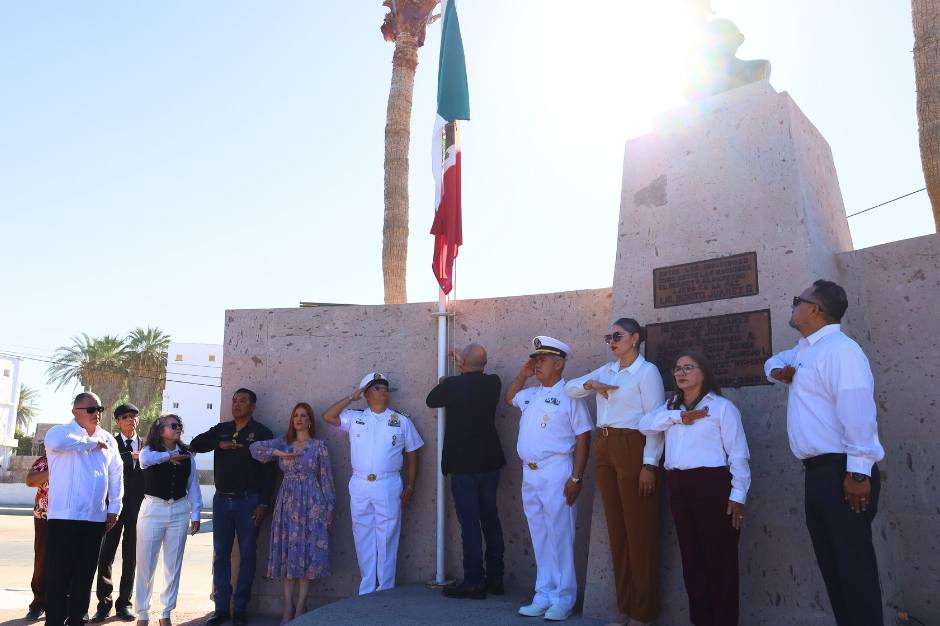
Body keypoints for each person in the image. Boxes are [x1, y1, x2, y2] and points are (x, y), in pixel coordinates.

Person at [764, 279, 886, 626]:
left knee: (854, 573)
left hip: (844, 474)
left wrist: (858, 472)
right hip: (817, 475)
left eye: (796, 300)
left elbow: (858, 412)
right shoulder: (804, 350)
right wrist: (777, 372)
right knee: (834, 571)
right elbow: (771, 361)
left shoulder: (840, 351)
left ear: (814, 309)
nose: (793, 306)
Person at [565, 318, 665, 626]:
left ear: (635, 338)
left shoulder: (647, 373)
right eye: (609, 336)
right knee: (617, 532)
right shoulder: (606, 370)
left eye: (618, 336)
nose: (612, 341)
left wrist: (649, 464)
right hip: (605, 447)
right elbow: (570, 388)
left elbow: (655, 422)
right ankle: (624, 607)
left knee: (640, 532)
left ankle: (643, 613)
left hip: (633, 445)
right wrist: (591, 385)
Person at [639, 351, 750, 626]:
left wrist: (738, 496)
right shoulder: (670, 409)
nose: (681, 373)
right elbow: (644, 426)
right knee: (693, 564)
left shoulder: (722, 407)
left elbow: (738, 454)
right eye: (677, 368)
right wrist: (679, 417)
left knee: (720, 564)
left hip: (712, 487)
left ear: (704, 372)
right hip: (679, 487)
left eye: (689, 367)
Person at [505, 336, 592, 622]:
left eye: (541, 360)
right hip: (530, 473)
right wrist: (522, 375)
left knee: (560, 536)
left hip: (557, 471)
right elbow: (510, 398)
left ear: (559, 363)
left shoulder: (570, 394)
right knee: (540, 535)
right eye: (535, 359)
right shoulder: (531, 393)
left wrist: (577, 478)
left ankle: (563, 597)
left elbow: (583, 436)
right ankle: (543, 594)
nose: (536, 364)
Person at [322, 372, 424, 595]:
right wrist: (351, 397)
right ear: (366, 394)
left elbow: (413, 454)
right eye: (377, 388)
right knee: (363, 535)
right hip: (359, 483)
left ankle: (385, 587)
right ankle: (367, 588)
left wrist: (410, 486)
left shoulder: (401, 420)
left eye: (385, 388)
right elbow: (328, 417)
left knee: (387, 536)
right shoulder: (355, 417)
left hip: (388, 483)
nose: (383, 392)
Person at [426, 344, 506, 600]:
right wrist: (464, 368)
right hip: (489, 462)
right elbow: (475, 376)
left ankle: (474, 581)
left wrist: (451, 377)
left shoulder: (453, 386)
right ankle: (496, 579)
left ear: (463, 365)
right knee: (490, 519)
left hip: (463, 466)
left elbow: (431, 399)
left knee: (469, 524)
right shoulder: (494, 382)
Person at [190, 388, 276, 626]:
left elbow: (270, 472)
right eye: (234, 400)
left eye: (243, 401)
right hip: (221, 501)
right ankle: (221, 609)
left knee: (247, 555)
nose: (237, 404)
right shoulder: (222, 429)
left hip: (249, 501)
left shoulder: (262, 433)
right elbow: (196, 443)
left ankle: (240, 609)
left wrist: (264, 502)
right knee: (221, 555)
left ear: (253, 406)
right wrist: (220, 444)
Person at [249, 403, 335, 625]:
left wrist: (329, 508)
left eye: (303, 415)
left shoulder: (319, 446)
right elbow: (255, 449)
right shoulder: (284, 442)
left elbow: (326, 479)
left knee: (307, 556)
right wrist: (277, 452)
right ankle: (287, 608)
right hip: (287, 503)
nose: (298, 419)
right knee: (288, 555)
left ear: (309, 421)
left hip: (312, 504)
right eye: (295, 415)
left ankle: (300, 607)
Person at [43, 392, 123, 626]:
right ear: (75, 412)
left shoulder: (108, 438)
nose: (97, 414)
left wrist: (115, 507)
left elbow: (116, 475)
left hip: (95, 518)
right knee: (59, 575)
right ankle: (55, 621)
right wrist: (90, 443)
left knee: (85, 575)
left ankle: (77, 619)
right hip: (64, 518)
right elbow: (57, 444)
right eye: (91, 409)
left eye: (100, 408)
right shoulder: (60, 432)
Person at [135, 414, 202, 626]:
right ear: (160, 429)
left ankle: (166, 613)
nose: (177, 428)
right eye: (173, 425)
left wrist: (196, 513)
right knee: (146, 563)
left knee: (173, 565)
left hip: (179, 510)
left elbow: (193, 486)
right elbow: (145, 460)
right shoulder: (149, 451)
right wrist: (168, 457)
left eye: (179, 425)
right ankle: (143, 613)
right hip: (153, 508)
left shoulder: (187, 455)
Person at [92, 404, 145, 623]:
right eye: (125, 417)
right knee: (105, 556)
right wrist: (128, 456)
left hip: (138, 509)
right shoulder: (110, 443)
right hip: (113, 509)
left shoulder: (148, 445)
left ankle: (125, 603)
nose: (130, 420)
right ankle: (104, 604)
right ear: (117, 422)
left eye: (134, 416)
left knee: (131, 557)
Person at [25, 450, 49, 622]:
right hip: (44, 518)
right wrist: (54, 469)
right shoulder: (44, 461)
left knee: (67, 563)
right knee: (42, 561)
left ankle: (61, 604)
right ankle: (38, 604)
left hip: (69, 519)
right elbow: (30, 480)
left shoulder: (75, 458)